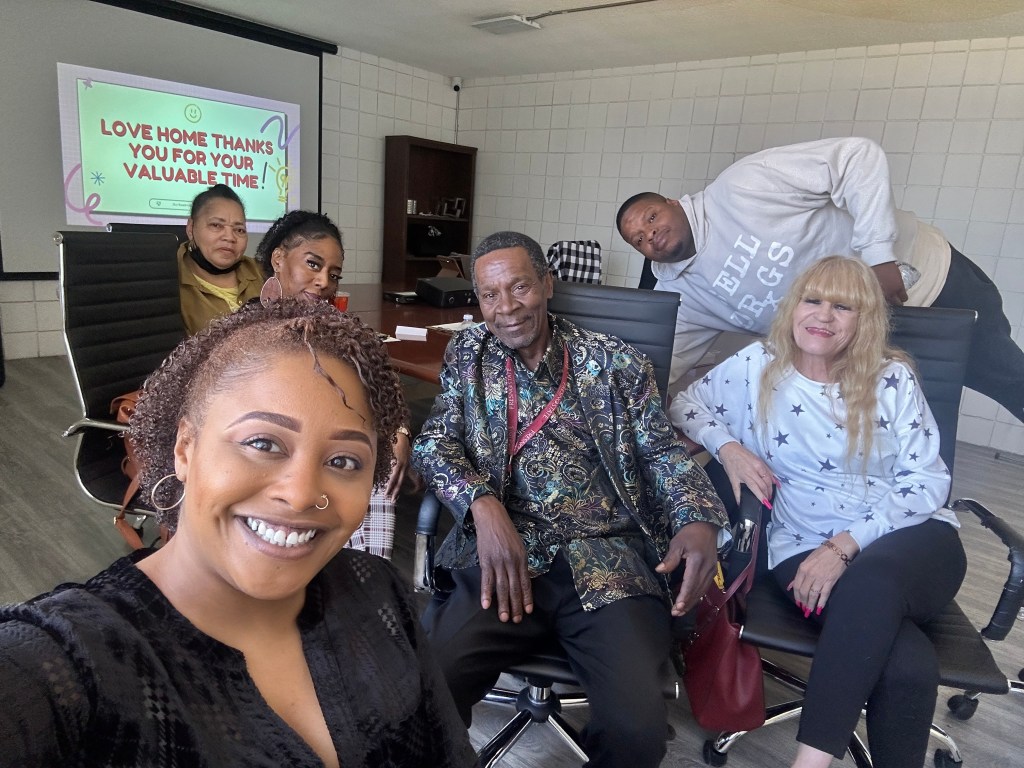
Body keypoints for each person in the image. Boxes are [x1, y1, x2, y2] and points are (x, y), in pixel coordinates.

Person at [0, 301, 476, 768]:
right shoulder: (65, 661)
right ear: (185, 448)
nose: (300, 494)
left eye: (343, 461)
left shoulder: (378, 590)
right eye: (263, 443)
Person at [411, 231, 728, 768]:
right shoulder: (469, 355)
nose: (506, 308)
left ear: (547, 284)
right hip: (505, 561)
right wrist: (482, 506)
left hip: (609, 565)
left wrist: (697, 519)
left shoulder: (614, 363)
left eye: (519, 288)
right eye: (490, 295)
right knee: (424, 689)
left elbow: (660, 453)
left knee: (638, 730)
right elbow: (435, 440)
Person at [672, 256, 965, 768]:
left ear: (864, 319)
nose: (823, 316)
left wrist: (844, 546)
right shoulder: (759, 366)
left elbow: (928, 482)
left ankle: (809, 763)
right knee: (905, 660)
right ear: (793, 307)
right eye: (813, 300)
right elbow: (685, 405)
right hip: (798, 545)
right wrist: (729, 448)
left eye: (842, 306)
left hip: (911, 537)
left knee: (872, 587)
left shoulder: (890, 379)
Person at [617, 136, 1024, 424]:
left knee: (1010, 381)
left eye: (651, 218)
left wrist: (879, 256)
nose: (649, 235)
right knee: (918, 432)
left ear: (672, 202)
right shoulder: (681, 293)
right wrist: (632, 398)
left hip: (930, 288)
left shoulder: (740, 186)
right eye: (638, 239)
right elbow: (668, 360)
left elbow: (855, 157)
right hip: (869, 346)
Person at [253, 209, 416, 558]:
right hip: (273, 455)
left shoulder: (337, 330)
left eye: (334, 274)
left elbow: (382, 385)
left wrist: (399, 430)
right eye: (313, 264)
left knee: (374, 462)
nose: (324, 281)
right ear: (278, 259)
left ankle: (362, 582)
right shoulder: (243, 333)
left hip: (331, 449)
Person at [178, 183, 264, 334]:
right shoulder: (168, 276)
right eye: (216, 225)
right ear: (191, 229)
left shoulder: (262, 272)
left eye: (239, 230)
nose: (230, 237)